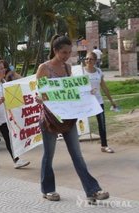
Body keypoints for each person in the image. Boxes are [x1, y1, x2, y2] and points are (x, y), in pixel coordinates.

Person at [36, 35, 109, 202]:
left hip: (68, 118)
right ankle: (48, 189)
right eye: (63, 52)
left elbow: (72, 92)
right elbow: (41, 92)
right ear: (55, 50)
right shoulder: (44, 68)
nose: (66, 55)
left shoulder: (68, 68)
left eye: (69, 52)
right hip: (49, 119)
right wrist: (42, 98)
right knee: (49, 155)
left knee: (77, 155)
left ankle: (92, 191)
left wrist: (86, 93)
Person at [0, 61, 30, 169]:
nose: (4, 70)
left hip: (3, 116)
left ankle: (16, 160)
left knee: (9, 138)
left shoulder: (2, 82)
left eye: (4, 68)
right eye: (1, 69)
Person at [83, 52, 115, 153]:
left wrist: (111, 100)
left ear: (95, 61)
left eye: (91, 59)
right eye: (87, 58)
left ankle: (104, 146)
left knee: (102, 123)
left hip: (98, 102)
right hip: (85, 102)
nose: (88, 60)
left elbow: (104, 87)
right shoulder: (81, 72)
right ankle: (75, 148)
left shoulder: (99, 72)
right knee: (79, 123)